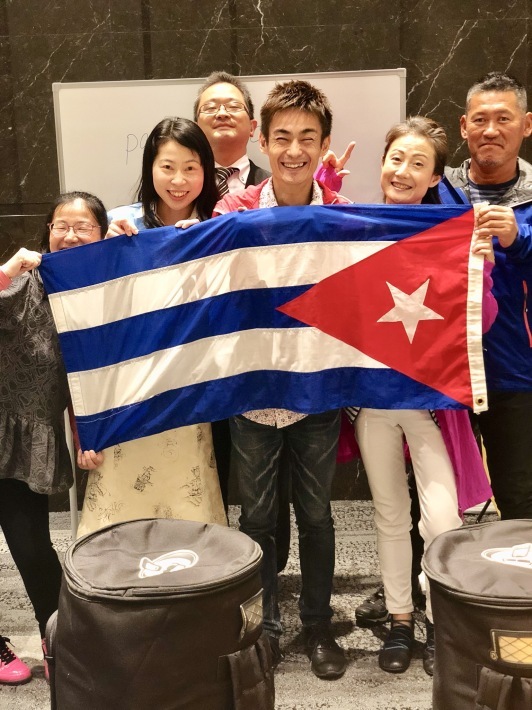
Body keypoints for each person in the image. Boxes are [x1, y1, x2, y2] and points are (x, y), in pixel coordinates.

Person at [213, 79, 349, 680]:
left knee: (316, 514)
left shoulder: (344, 216)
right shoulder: (232, 212)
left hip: (316, 392)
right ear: (263, 143)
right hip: (253, 394)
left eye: (308, 138)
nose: (295, 150)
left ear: (323, 145)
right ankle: (264, 626)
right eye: (283, 137)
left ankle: (317, 624)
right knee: (257, 517)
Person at [353, 117, 496, 676]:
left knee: (441, 522)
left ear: (435, 176)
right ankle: (399, 619)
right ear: (382, 164)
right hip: (374, 403)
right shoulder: (352, 228)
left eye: (419, 163)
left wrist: (479, 271)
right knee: (389, 515)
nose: (404, 171)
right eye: (397, 159)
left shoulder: (452, 233)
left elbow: (482, 321)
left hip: (432, 408)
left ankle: (441, 622)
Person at [77, 118, 226, 536]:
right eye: (167, 167)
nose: (179, 180)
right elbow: (91, 308)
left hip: (189, 386)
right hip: (129, 386)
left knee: (186, 494)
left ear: (206, 171)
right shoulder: (120, 223)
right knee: (124, 501)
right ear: (150, 169)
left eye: (191, 168)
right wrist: (105, 253)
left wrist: (213, 248)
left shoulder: (218, 226)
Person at [0, 191, 108, 685]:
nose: (70, 235)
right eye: (61, 226)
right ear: (46, 233)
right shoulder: (22, 284)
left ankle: (60, 642)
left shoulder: (102, 297)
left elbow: (85, 382)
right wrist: (7, 271)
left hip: (27, 440)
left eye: (84, 227)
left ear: (101, 235)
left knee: (33, 547)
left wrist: (86, 436)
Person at [440, 72, 532, 521]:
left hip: (516, 370)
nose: (490, 130)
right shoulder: (437, 190)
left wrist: (520, 241)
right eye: (480, 119)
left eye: (503, 118)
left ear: (526, 125)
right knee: (435, 500)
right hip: (443, 368)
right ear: (464, 126)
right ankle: (429, 571)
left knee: (520, 497)